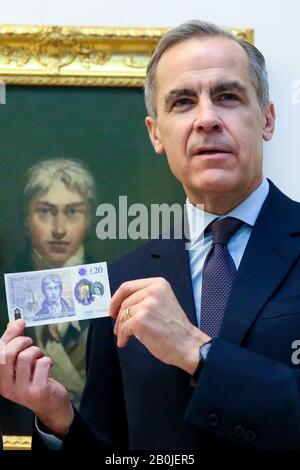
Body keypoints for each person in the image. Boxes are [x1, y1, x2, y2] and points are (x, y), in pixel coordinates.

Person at [0, 19, 299, 452]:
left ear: (267, 119)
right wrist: (58, 418)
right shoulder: (125, 279)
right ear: (156, 133)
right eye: (182, 102)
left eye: (228, 97)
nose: (207, 119)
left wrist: (197, 350)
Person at [0, 158, 96, 435]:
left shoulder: (116, 290)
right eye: (45, 211)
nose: (59, 229)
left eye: (73, 212)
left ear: (89, 221)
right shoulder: (1, 295)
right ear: (26, 220)